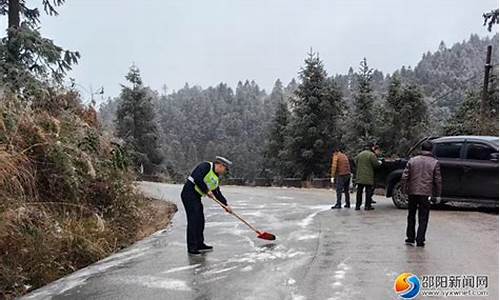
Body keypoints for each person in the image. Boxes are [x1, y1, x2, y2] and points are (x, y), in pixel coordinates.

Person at [181, 156, 233, 255]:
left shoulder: (215, 178)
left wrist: (226, 205)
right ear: (221, 165)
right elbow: (198, 178)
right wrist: (206, 190)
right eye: (225, 169)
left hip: (196, 197)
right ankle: (192, 247)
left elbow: (217, 193)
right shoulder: (205, 166)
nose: (225, 172)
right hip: (189, 193)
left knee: (200, 220)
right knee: (193, 219)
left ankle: (200, 244)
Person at [401, 141, 442, 247]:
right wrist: (437, 195)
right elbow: (437, 180)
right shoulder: (434, 162)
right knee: (423, 217)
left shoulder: (412, 160)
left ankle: (410, 238)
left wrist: (404, 190)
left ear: (421, 149)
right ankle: (420, 239)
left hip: (412, 192)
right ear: (431, 150)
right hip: (426, 193)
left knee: (411, 215)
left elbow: (405, 176)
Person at [354, 143, 382, 210]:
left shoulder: (359, 154)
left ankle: (357, 206)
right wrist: (380, 163)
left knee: (359, 192)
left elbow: (355, 162)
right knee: (368, 192)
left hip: (359, 176)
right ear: (371, 148)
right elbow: (376, 165)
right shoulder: (371, 155)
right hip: (368, 177)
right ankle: (367, 206)